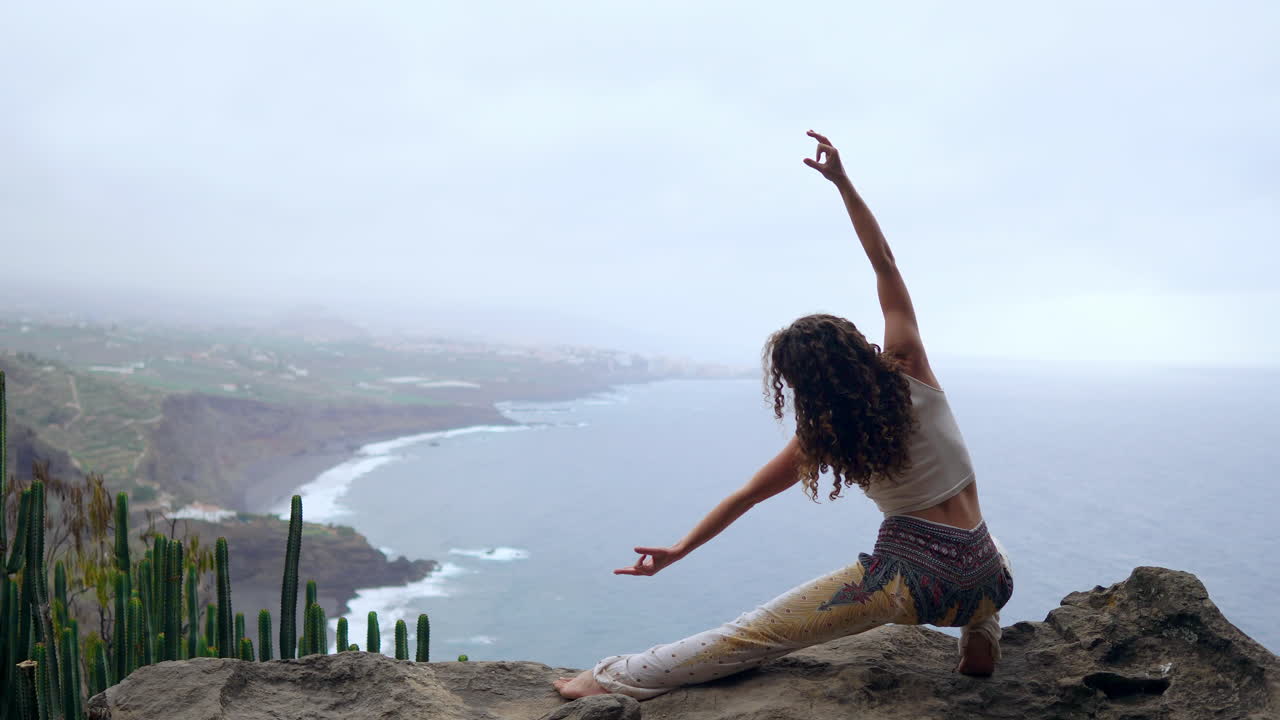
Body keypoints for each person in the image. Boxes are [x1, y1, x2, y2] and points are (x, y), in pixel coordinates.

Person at [554, 130, 1014, 701]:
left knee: (758, 633)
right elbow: (884, 263)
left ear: (801, 386)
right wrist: (844, 183)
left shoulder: (823, 439)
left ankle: (608, 679)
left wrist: (678, 551)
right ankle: (981, 625)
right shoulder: (911, 368)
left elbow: (744, 497)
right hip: (992, 573)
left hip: (915, 587)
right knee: (981, 556)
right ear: (855, 343)